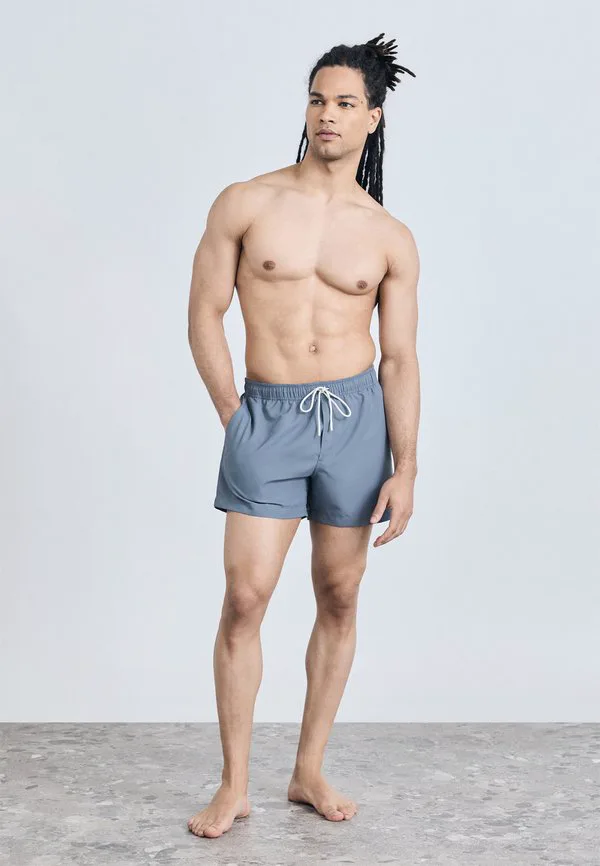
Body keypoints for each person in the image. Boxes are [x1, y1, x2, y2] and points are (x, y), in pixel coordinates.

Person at [186, 32, 420, 839]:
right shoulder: (246, 202)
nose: (327, 114)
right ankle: (235, 783)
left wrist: (407, 466)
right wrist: (234, 413)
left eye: (345, 103)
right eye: (318, 99)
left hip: (355, 424)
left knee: (340, 595)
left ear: (373, 118)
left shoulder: (388, 235)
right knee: (245, 598)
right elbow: (203, 312)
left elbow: (399, 357)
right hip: (269, 415)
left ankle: (308, 768)